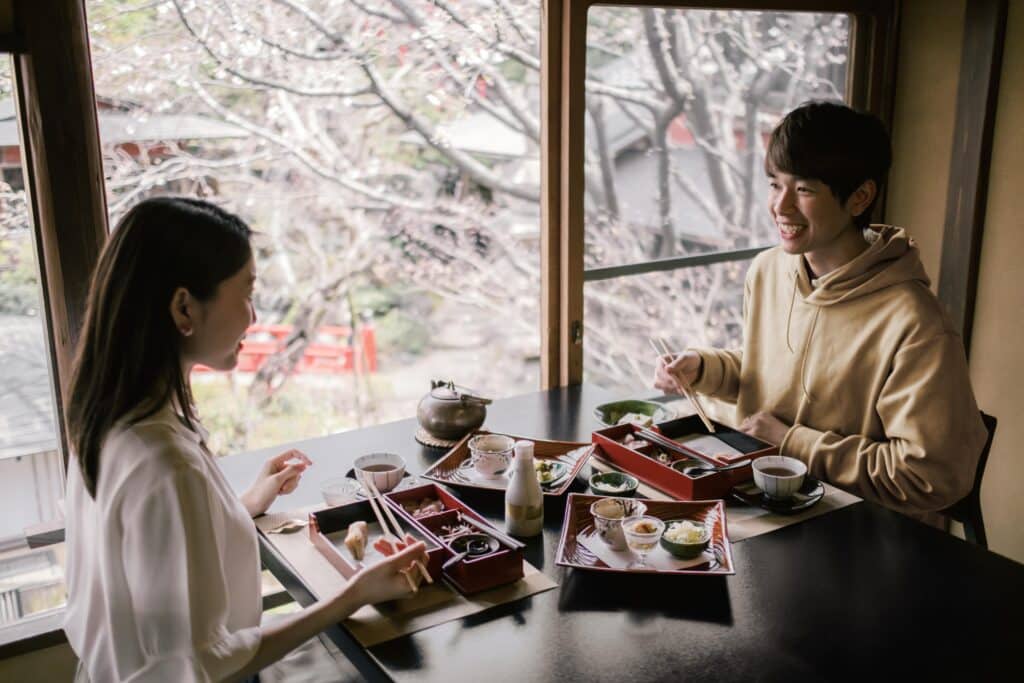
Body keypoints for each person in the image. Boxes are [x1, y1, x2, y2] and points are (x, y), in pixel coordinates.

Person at [63, 197, 428, 682]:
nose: (253, 316)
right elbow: (205, 664)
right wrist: (354, 594)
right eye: (246, 291)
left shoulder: (108, 418)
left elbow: (161, 553)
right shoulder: (166, 463)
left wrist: (246, 503)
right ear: (183, 306)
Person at [654, 101, 987, 526]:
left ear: (860, 197)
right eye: (775, 185)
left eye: (805, 190)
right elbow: (771, 371)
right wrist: (703, 369)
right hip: (759, 509)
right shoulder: (769, 270)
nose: (781, 206)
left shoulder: (916, 324)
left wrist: (791, 442)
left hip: (854, 533)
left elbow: (929, 476)